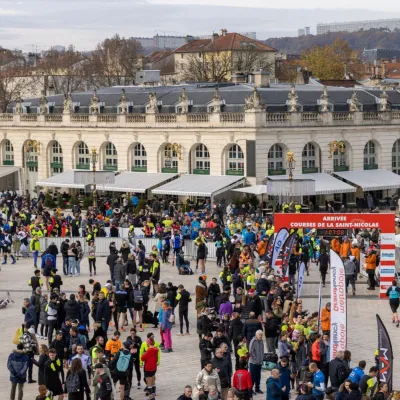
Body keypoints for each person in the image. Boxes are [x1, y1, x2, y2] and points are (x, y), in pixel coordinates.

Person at [248, 330, 264, 395]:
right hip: (253, 362)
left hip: (259, 362)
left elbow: (262, 350)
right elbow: (251, 351)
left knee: (258, 376)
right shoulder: (253, 341)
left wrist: (261, 358)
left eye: (261, 335)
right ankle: (250, 389)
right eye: (259, 335)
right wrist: (255, 359)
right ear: (256, 335)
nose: (260, 336)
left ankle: (257, 388)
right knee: (252, 376)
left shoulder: (261, 341)